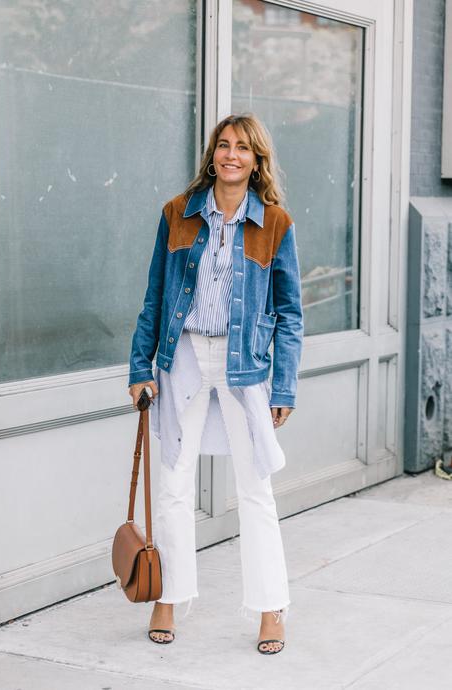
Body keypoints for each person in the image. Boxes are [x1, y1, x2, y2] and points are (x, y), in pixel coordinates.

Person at [128, 113, 304, 655]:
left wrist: (284, 385)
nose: (231, 154)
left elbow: (290, 312)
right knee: (175, 483)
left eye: (243, 148)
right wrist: (140, 368)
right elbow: (155, 296)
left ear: (257, 161)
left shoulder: (274, 223)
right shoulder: (178, 215)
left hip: (243, 365)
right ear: (213, 155)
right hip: (180, 357)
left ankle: (270, 608)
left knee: (255, 489)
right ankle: (170, 597)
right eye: (223, 145)